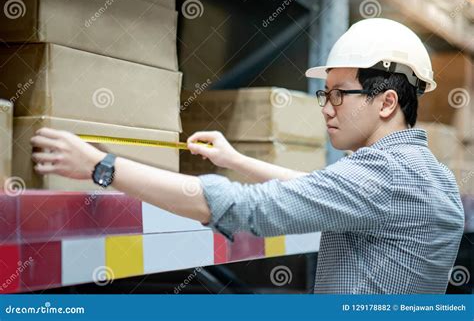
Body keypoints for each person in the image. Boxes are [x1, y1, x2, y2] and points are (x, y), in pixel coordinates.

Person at [30, 18, 464, 294]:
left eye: (338, 94)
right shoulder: (429, 175)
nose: (327, 108)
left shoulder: (384, 177)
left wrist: (101, 166)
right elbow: (321, 191)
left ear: (386, 102)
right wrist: (236, 159)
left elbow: (241, 208)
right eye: (323, 94)